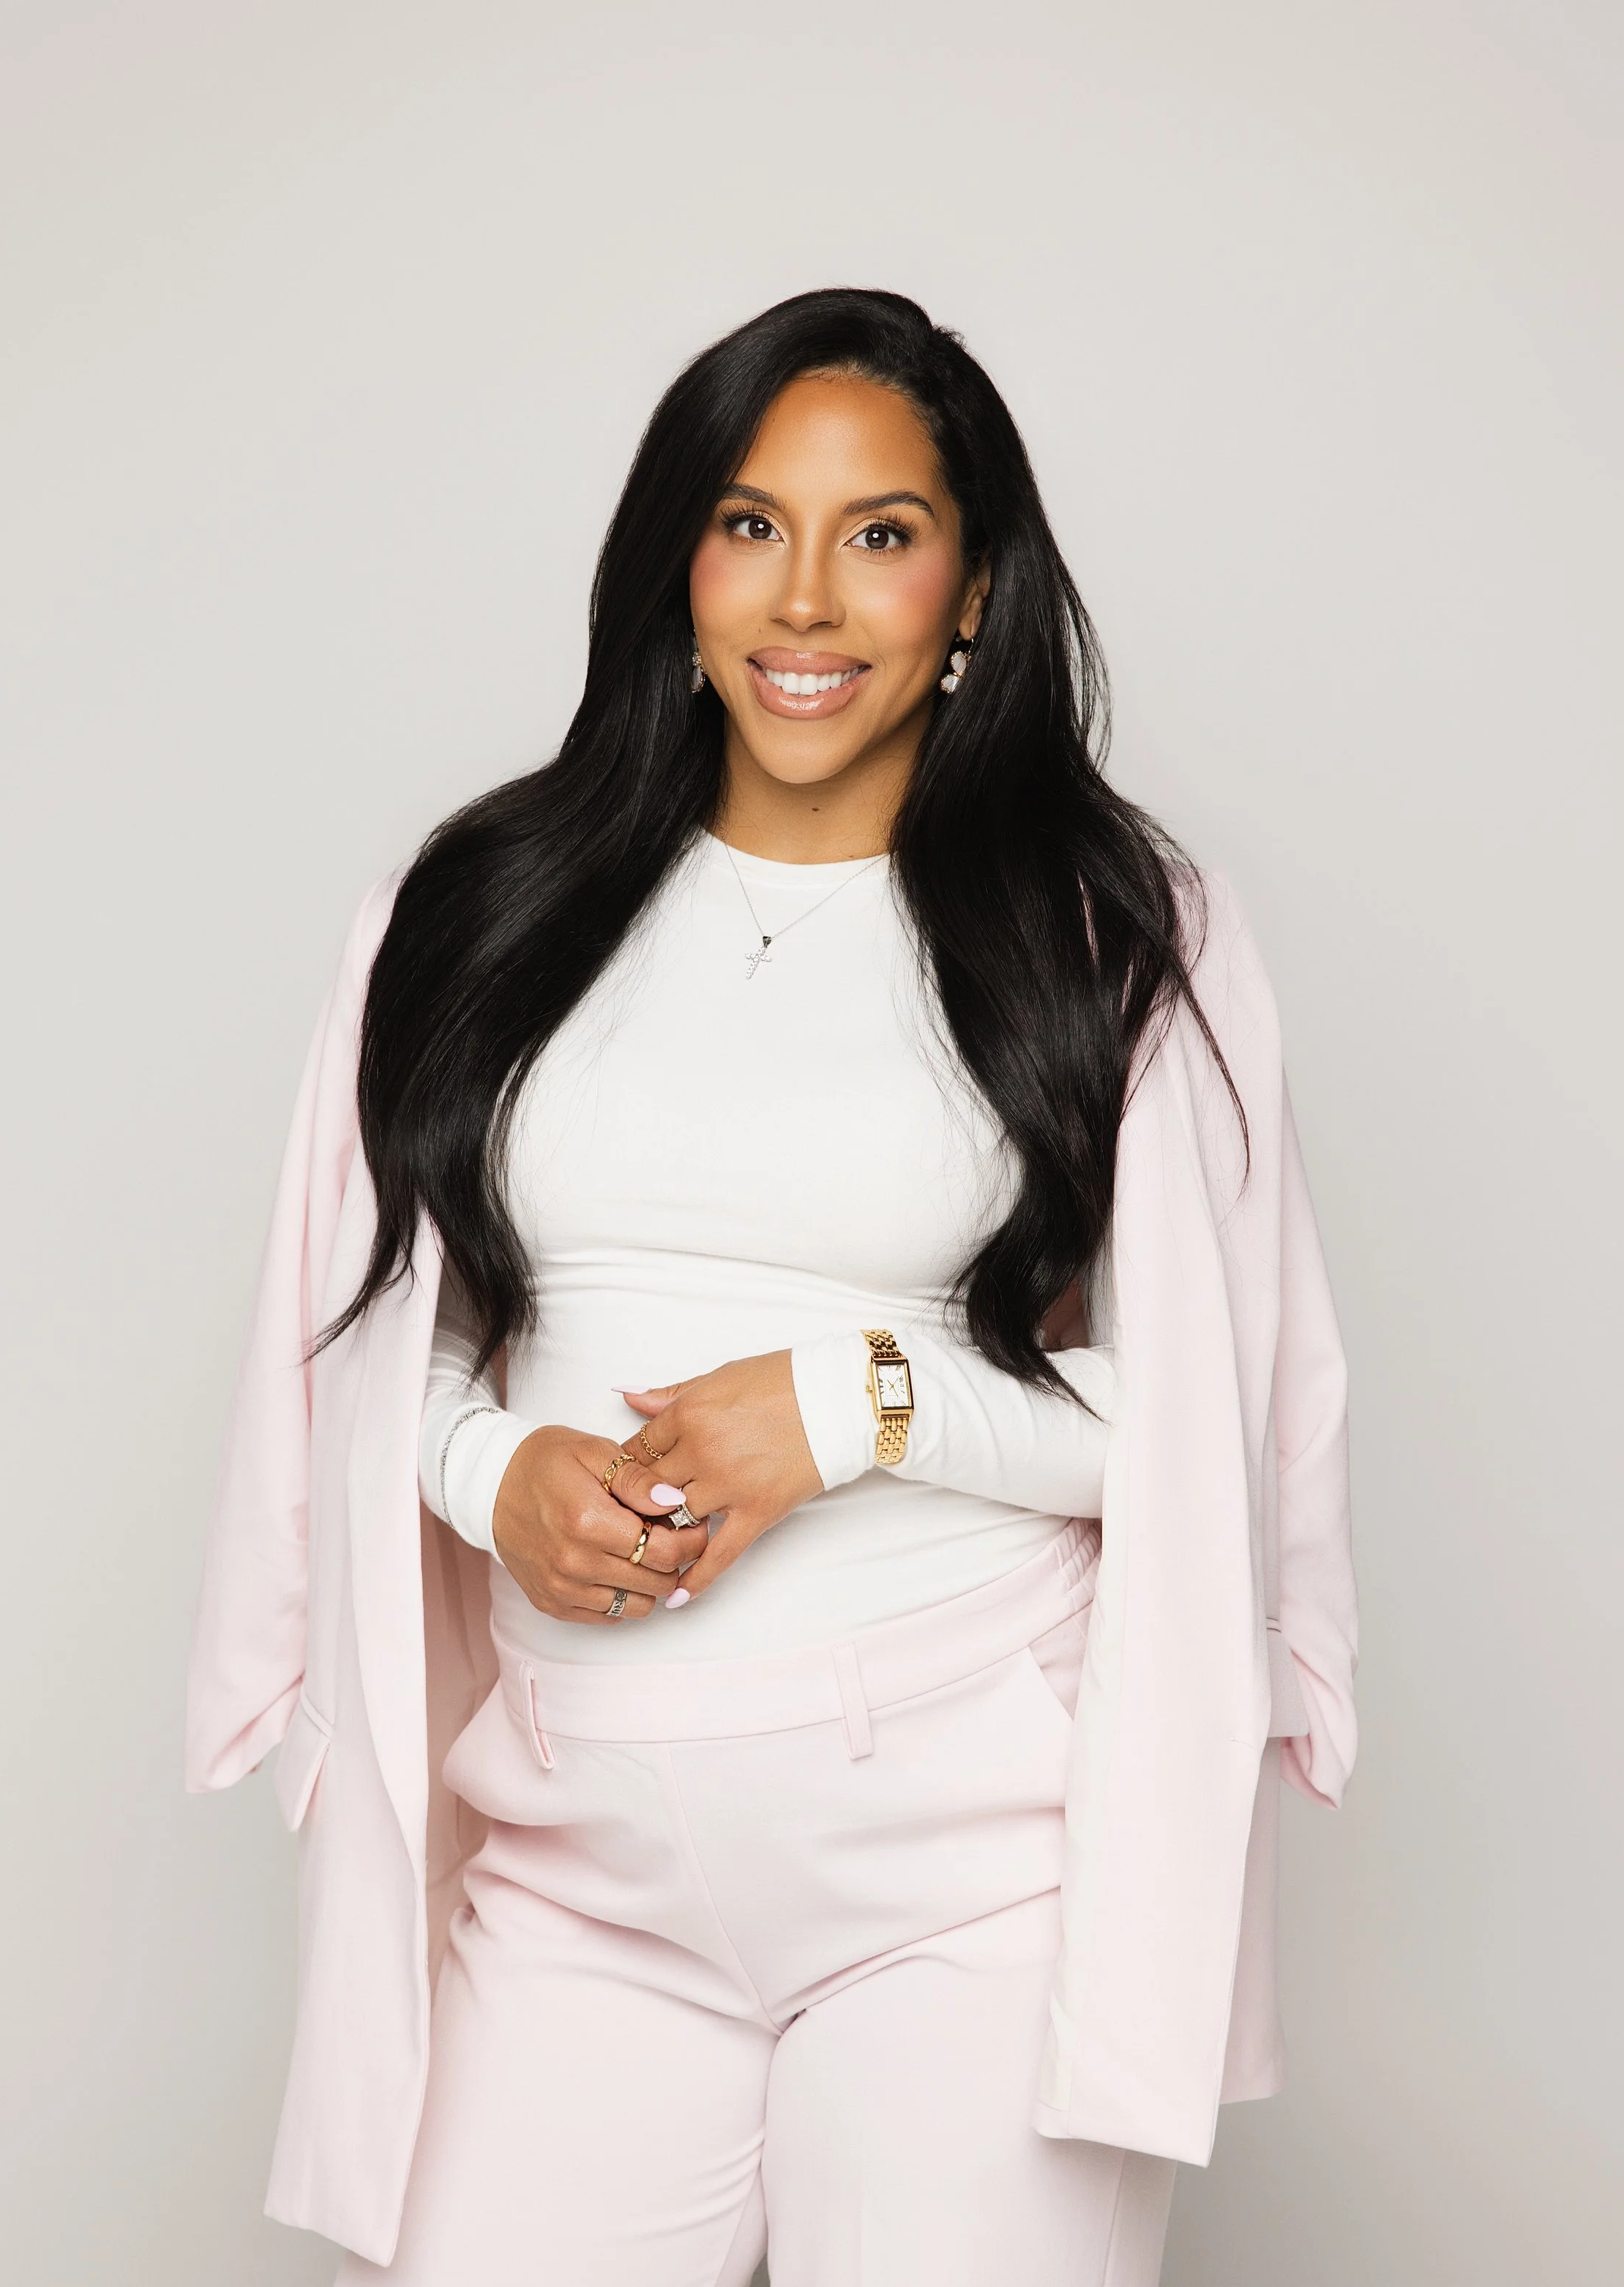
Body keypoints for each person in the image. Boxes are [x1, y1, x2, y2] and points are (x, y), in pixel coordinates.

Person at [187, 288, 1358, 2287]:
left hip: (974, 1876)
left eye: (880, 533)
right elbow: (378, 1344)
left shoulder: (1110, 929)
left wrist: (855, 1405)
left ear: (972, 588)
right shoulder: (480, 905)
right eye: (748, 525)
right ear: (675, 563)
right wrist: (490, 1479)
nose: (805, 599)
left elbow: (1197, 1438)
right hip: (581, 1865)